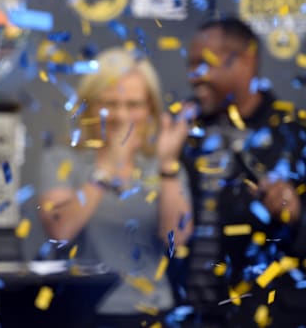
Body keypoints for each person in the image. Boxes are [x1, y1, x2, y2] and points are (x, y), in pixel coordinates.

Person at [37, 47, 194, 327]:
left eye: (133, 104)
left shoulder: (162, 166)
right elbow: (60, 230)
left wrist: (168, 166)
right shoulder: (62, 159)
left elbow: (177, 238)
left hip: (151, 312)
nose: (121, 115)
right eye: (109, 103)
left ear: (150, 109)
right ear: (90, 106)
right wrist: (107, 166)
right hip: (80, 314)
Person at [182, 17, 306, 327]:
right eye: (192, 64)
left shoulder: (294, 136)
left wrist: (296, 213)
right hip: (189, 317)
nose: (193, 77)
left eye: (203, 63)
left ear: (245, 61)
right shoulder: (181, 132)